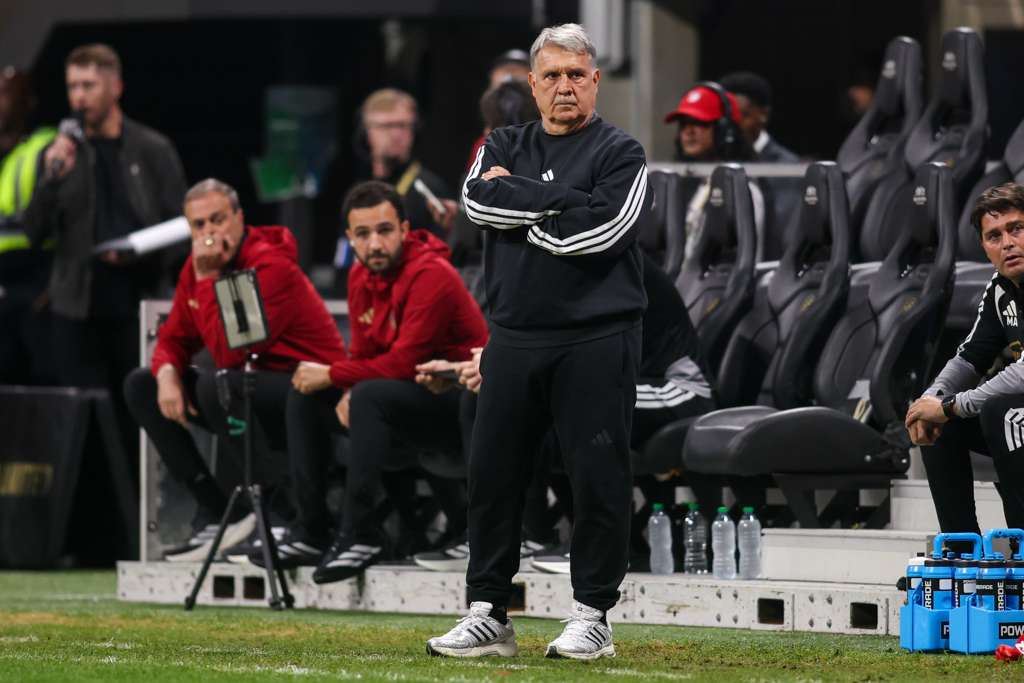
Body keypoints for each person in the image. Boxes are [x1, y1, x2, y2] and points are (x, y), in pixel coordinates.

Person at [426, 23, 648, 661]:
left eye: (576, 75)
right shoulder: (501, 140)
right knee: (493, 476)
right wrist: (565, 201)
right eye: (551, 76)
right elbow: (477, 203)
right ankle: (488, 612)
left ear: (595, 80)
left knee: (596, 477)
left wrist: (525, 201)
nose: (564, 87)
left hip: (597, 337)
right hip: (514, 337)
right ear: (532, 84)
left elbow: (601, 235)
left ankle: (592, 616)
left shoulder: (622, 152)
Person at [268, 180, 488, 580]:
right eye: (363, 234)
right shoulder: (359, 276)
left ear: (405, 230)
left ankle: (361, 533)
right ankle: (312, 528)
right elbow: (367, 355)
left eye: (384, 231)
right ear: (350, 239)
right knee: (305, 394)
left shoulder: (431, 274)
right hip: (406, 397)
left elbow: (405, 362)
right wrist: (346, 386)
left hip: (464, 404)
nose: (375, 244)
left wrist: (337, 376)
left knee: (364, 393)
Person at [122, 178, 346, 560]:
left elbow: (233, 351)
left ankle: (278, 512)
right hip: (250, 388)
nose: (209, 233)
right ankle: (214, 508)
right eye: (199, 225)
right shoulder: (195, 269)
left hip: (311, 390)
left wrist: (209, 280)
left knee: (220, 384)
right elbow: (174, 337)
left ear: (240, 217)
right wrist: (166, 376)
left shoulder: (269, 264)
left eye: (217, 220)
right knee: (140, 384)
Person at [22, 44, 187, 462]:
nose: (78, 96)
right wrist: (50, 177)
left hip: (138, 303)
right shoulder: (57, 155)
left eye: (88, 85)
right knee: (84, 423)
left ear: (115, 87)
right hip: (76, 308)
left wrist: (142, 256)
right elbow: (35, 232)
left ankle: (144, 513)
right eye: (72, 86)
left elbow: (184, 227)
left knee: (140, 417)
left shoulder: (152, 149)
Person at [905, 182, 1024, 537]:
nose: (1006, 243)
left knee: (1002, 412)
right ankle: (962, 555)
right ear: (985, 247)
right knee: (942, 427)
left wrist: (952, 405)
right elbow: (970, 357)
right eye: (993, 236)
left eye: (1016, 229)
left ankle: (1021, 551)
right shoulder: (1000, 288)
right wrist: (930, 401)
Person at [664, 82, 766, 262]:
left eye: (699, 122)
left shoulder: (741, 190)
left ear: (726, 132)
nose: (688, 131)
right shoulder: (696, 184)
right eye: (683, 124)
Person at [0, 66, 56, 384]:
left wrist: (53, 284)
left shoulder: (46, 147)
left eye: (6, 93)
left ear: (29, 101)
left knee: (39, 381)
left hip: (35, 283)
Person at [719, 71, 801, 253]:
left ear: (763, 115)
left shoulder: (787, 170)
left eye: (742, 115)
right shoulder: (713, 163)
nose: (733, 125)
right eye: (727, 117)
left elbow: (785, 238)